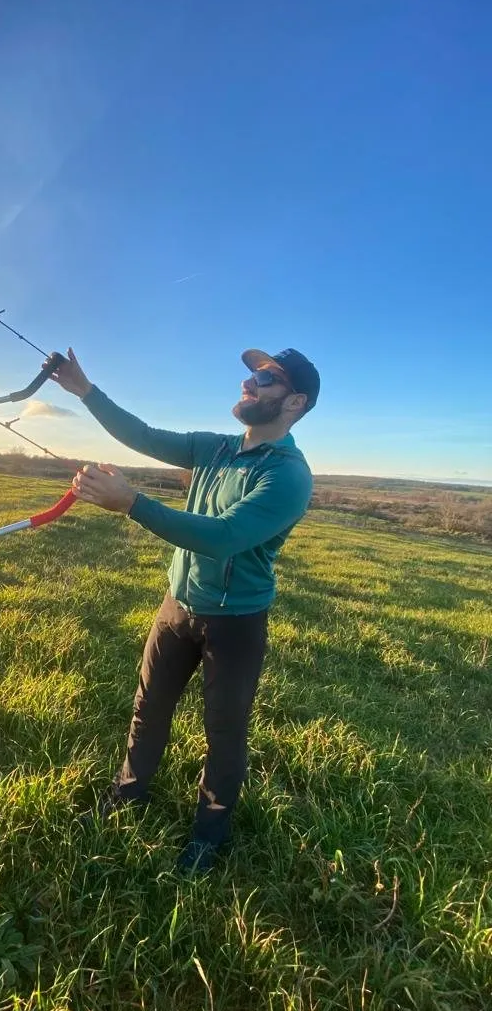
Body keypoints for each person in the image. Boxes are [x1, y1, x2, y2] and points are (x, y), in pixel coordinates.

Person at [50, 346, 320, 873]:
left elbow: (222, 538)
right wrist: (85, 389)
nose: (250, 383)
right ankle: (126, 798)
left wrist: (131, 503)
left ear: (295, 401)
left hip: (236, 621)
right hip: (177, 607)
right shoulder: (215, 448)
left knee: (224, 731)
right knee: (147, 708)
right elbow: (146, 437)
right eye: (251, 375)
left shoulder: (289, 475)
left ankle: (210, 835)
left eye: (266, 378)